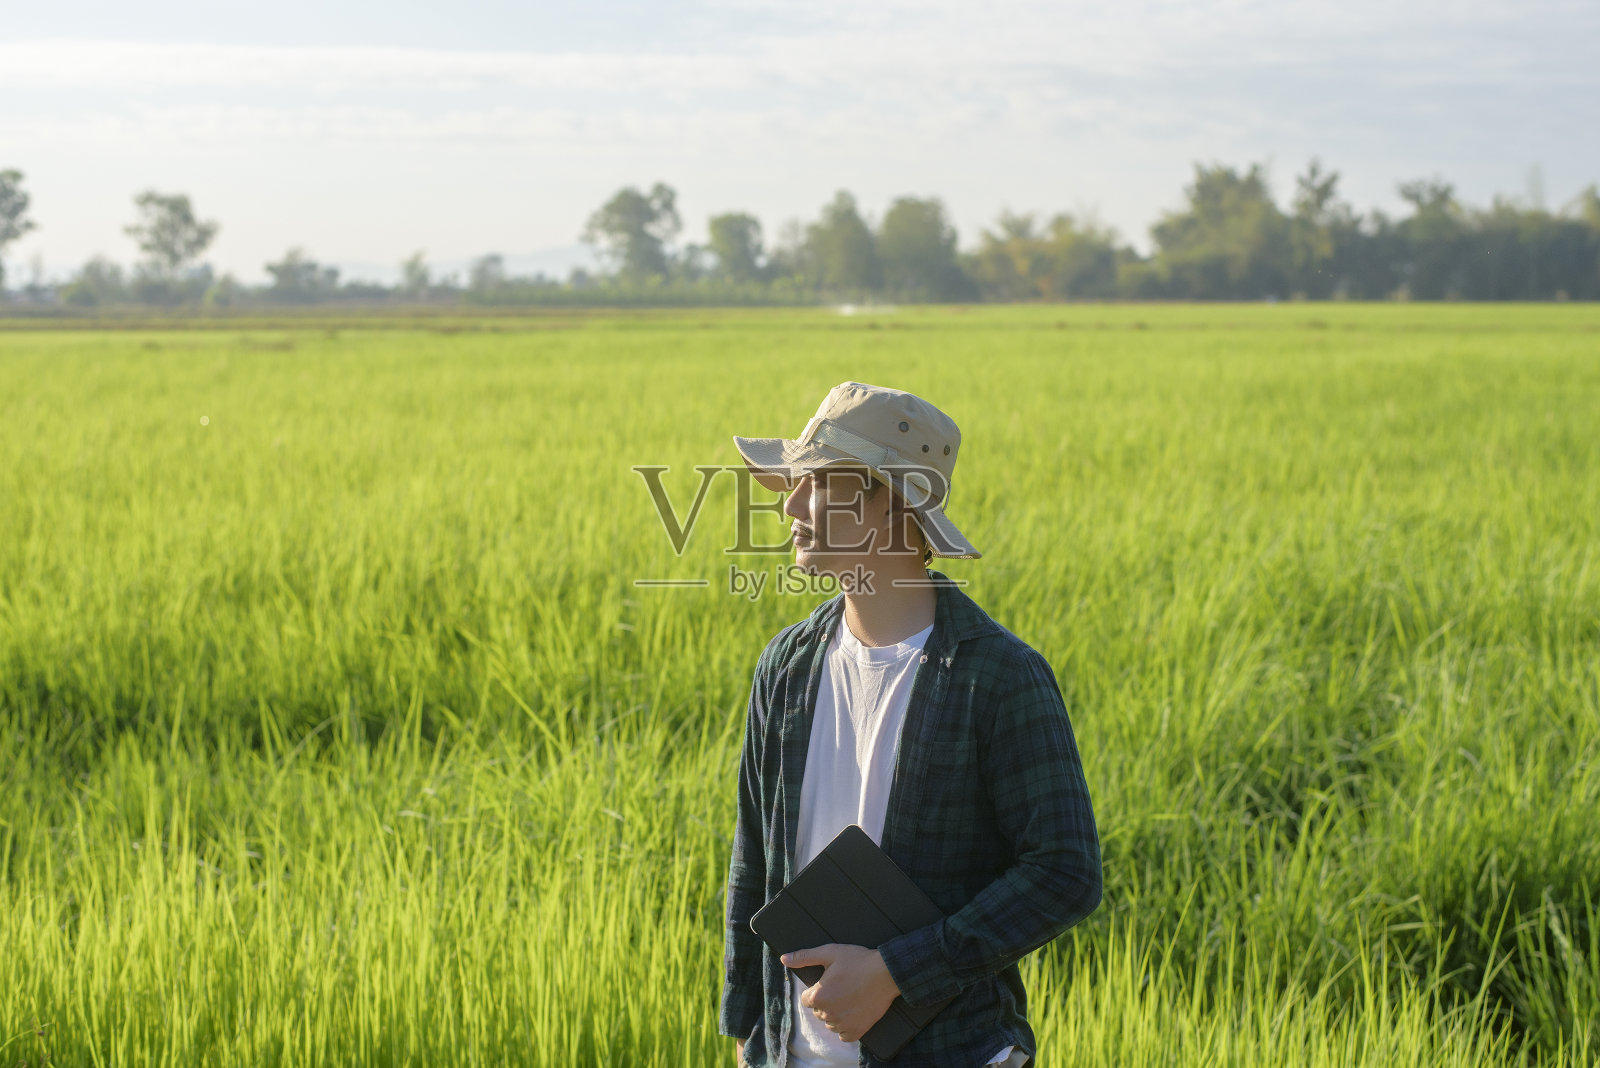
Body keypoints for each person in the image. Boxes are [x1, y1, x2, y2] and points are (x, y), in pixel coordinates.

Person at [720, 382, 1102, 1068]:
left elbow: (1064, 871)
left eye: (819, 484)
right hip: (792, 1054)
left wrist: (898, 972)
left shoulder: (998, 676)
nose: (791, 504)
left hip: (953, 1051)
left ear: (895, 510)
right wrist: (749, 1032)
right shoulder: (785, 666)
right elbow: (756, 859)